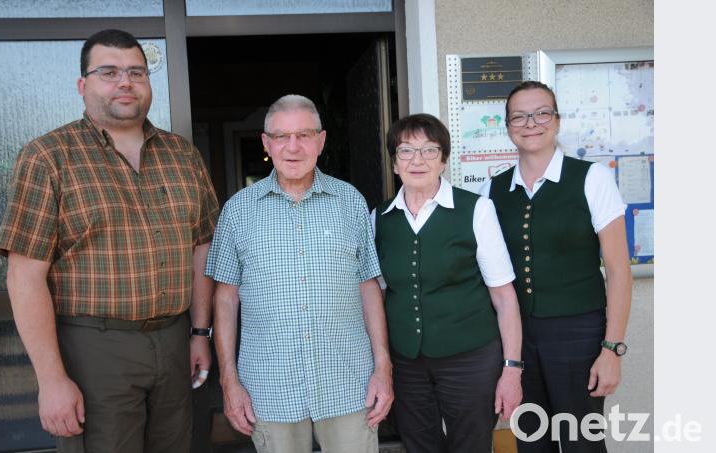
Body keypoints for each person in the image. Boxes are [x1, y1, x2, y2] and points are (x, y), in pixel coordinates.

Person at [0, 29, 219, 452]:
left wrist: (199, 333)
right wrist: (52, 379)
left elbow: (203, 247)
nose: (125, 82)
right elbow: (24, 277)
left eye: (136, 72)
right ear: (83, 85)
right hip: (94, 348)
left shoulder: (182, 155)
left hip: (174, 340)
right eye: (109, 72)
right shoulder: (48, 157)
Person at [205, 94, 393, 453]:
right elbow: (225, 299)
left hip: (348, 382)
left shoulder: (349, 201)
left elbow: (369, 287)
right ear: (266, 143)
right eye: (281, 136)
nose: (293, 146)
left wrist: (383, 368)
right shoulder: (237, 211)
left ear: (321, 141)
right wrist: (229, 381)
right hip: (270, 387)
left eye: (304, 135)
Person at [480, 80, 632, 453]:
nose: (531, 123)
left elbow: (618, 271)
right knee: (531, 443)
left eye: (541, 113)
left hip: (579, 334)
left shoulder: (591, 178)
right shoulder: (493, 191)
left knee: (582, 443)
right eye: (519, 116)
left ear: (557, 120)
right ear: (508, 125)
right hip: (517, 339)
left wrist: (611, 349)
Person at [372, 113, 523, 453]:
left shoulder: (476, 210)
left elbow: (504, 297)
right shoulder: (379, 218)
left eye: (429, 150)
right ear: (395, 163)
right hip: (407, 362)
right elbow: (378, 295)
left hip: (470, 359)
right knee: (419, 445)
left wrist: (511, 369)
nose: (418, 160)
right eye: (406, 151)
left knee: (471, 445)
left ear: (444, 159)